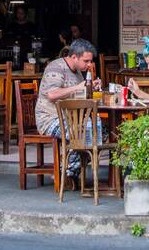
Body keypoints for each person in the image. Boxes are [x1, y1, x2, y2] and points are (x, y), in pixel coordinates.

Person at [37, 38, 102, 176]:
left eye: (90, 61)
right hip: (50, 119)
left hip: (72, 119)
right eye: (86, 61)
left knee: (101, 131)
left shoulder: (78, 72)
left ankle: (69, 170)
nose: (89, 64)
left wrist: (92, 88)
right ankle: (67, 173)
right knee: (82, 133)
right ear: (74, 57)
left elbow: (79, 95)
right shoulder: (56, 67)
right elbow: (52, 94)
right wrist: (77, 87)